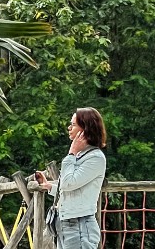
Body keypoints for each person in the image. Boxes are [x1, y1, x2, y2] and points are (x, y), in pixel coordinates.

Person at [36, 107, 107, 249]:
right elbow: (75, 189)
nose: (69, 128)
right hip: (65, 224)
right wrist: (50, 187)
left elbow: (69, 183)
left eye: (73, 124)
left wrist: (71, 153)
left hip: (79, 225)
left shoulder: (95, 157)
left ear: (85, 129)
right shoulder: (81, 156)